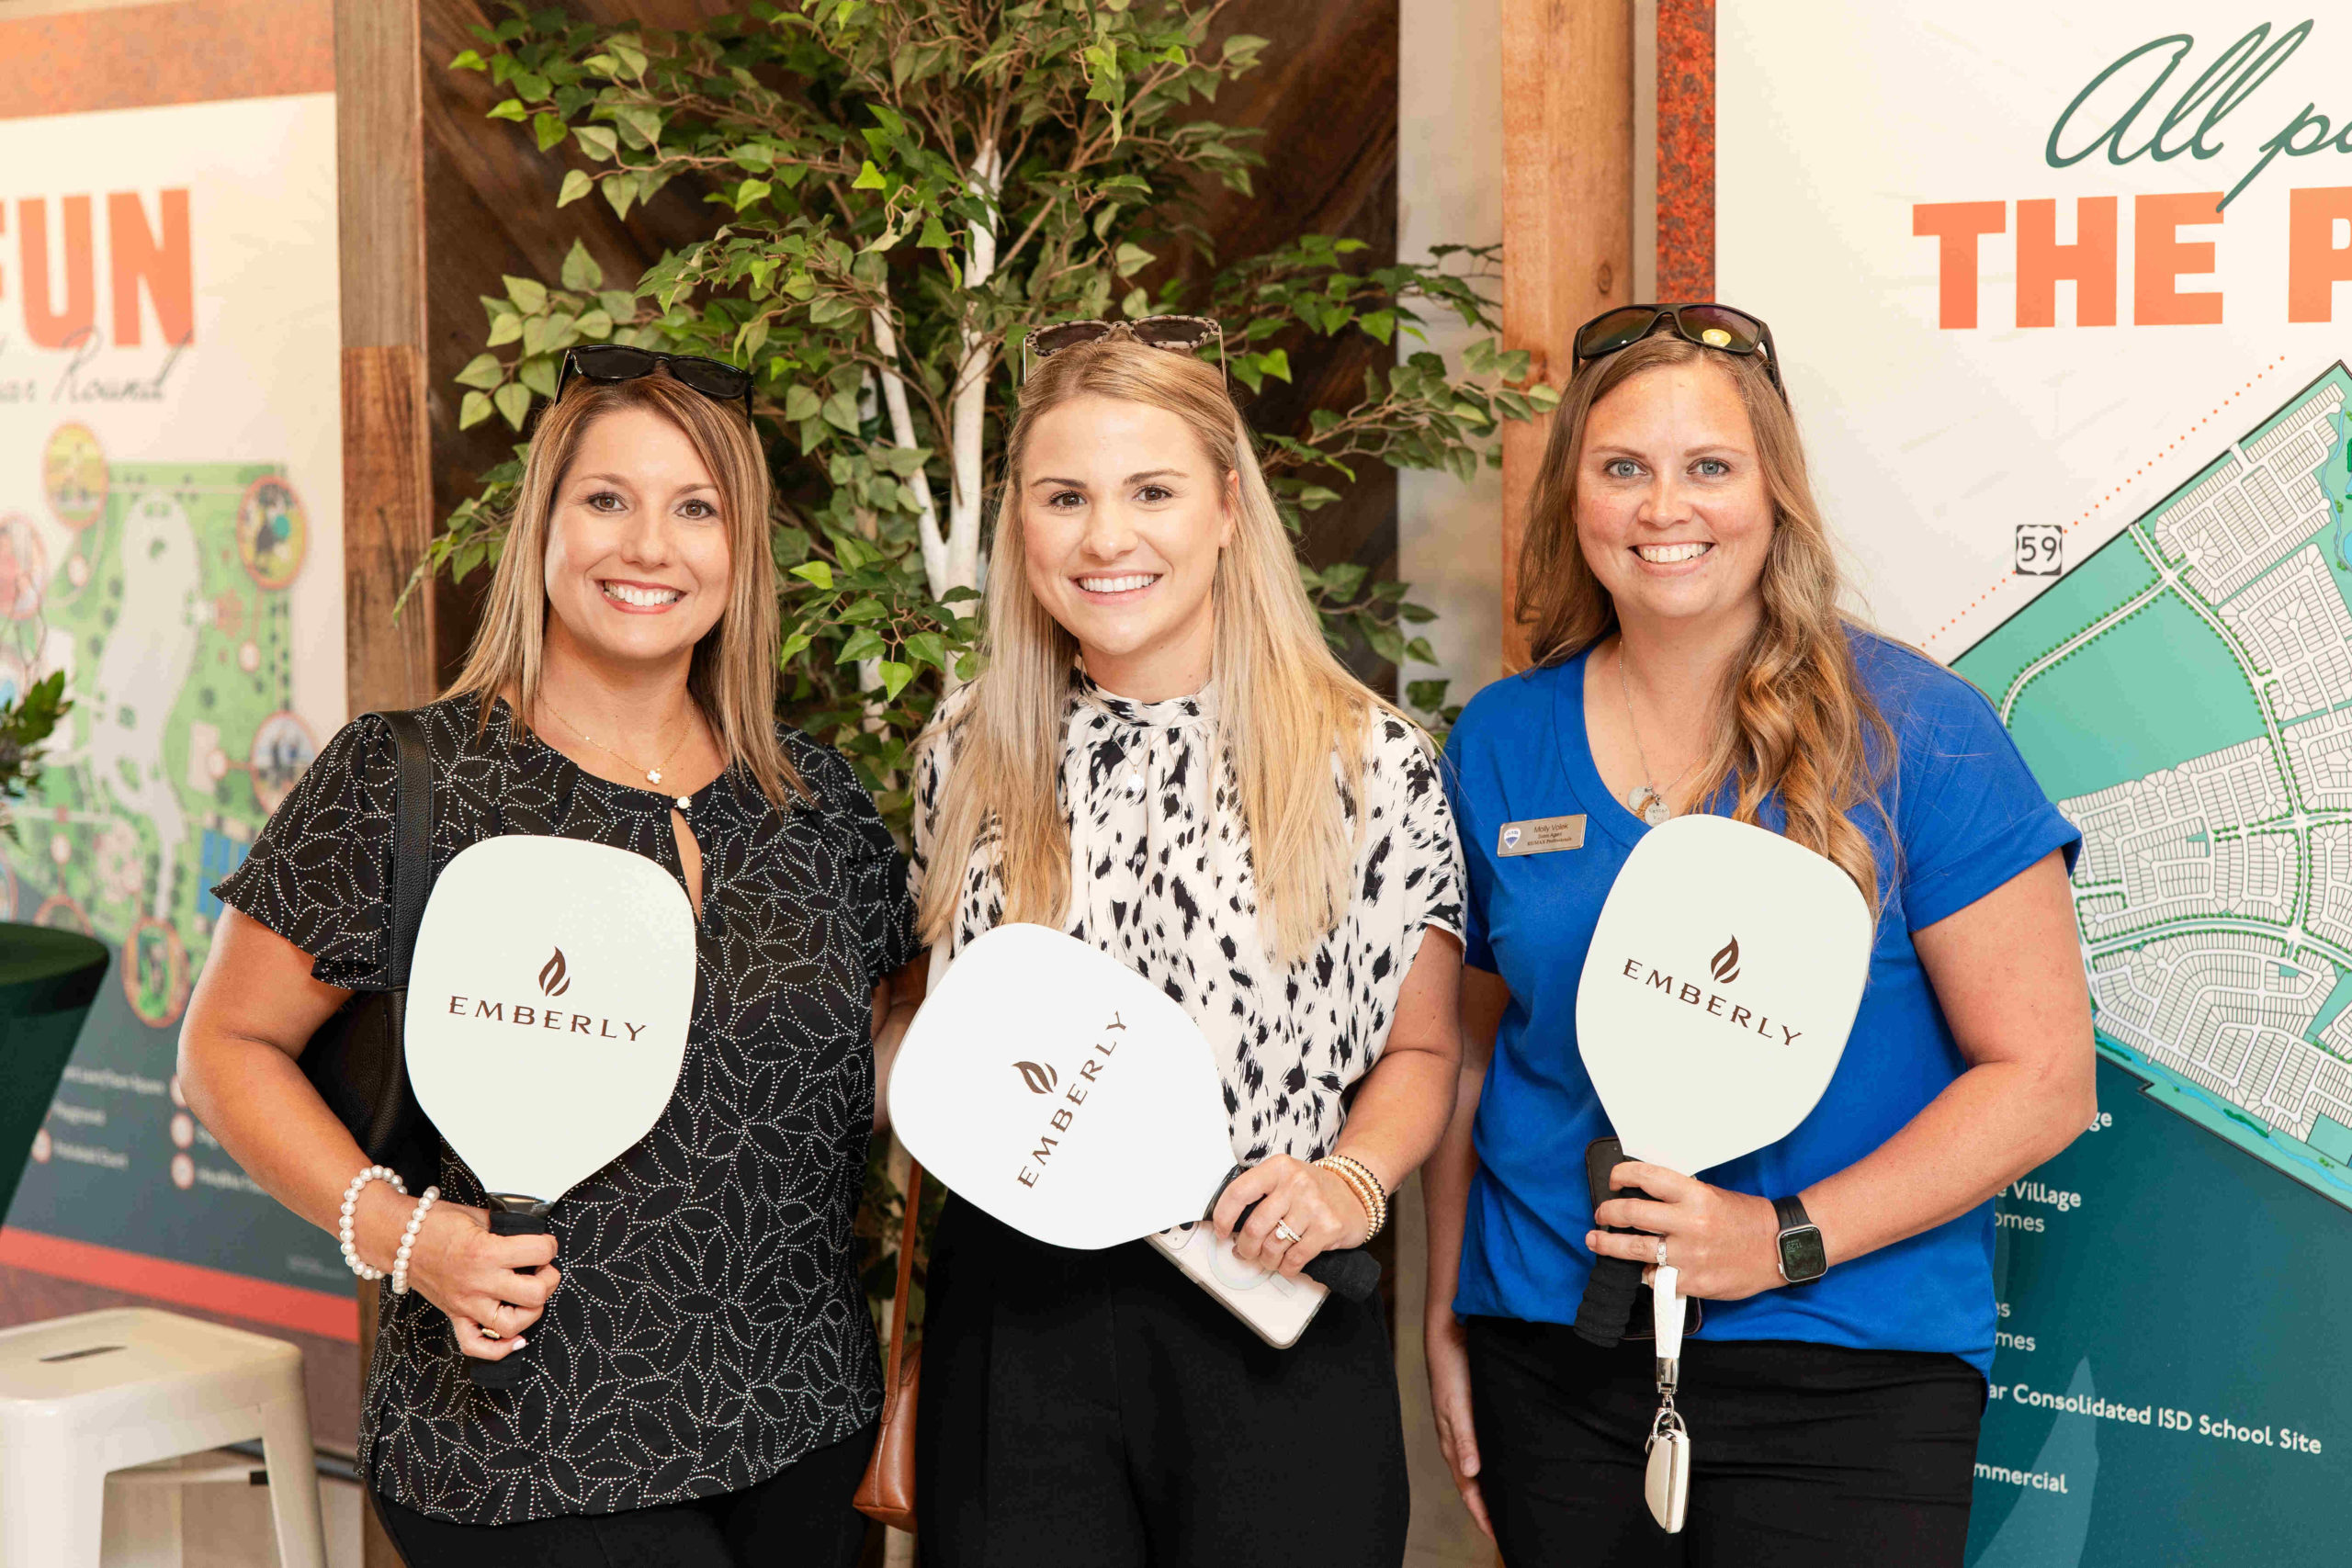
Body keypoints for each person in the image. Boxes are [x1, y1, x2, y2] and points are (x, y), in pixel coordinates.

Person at [178, 352, 921, 1567]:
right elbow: (225, 1049)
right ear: (545, 526)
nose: (649, 547)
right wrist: (412, 1239)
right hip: (524, 1445)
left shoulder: (818, 802)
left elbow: (884, 1045)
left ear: (742, 555)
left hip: (803, 1427)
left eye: (698, 509)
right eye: (607, 500)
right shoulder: (406, 778)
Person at [1421, 304, 2098, 1565]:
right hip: (1552, 1355)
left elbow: (2045, 1081)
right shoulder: (1502, 743)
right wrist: (1449, 1317)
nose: (1663, 507)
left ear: (1773, 492)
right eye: (1622, 468)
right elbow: (1463, 1058)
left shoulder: (1922, 735)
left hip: (1847, 1366)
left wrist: (1779, 1237)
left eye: (1709, 467)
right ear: (1574, 495)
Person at [890, 321, 1466, 1567]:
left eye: (1150, 491)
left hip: (1272, 1311)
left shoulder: (1367, 760)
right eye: (1065, 498)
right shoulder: (966, 752)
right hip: (1018, 1321)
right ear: (1021, 527)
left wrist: (1350, 1183)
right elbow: (931, 1018)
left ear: (1224, 507)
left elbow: (1423, 1048)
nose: (1107, 538)